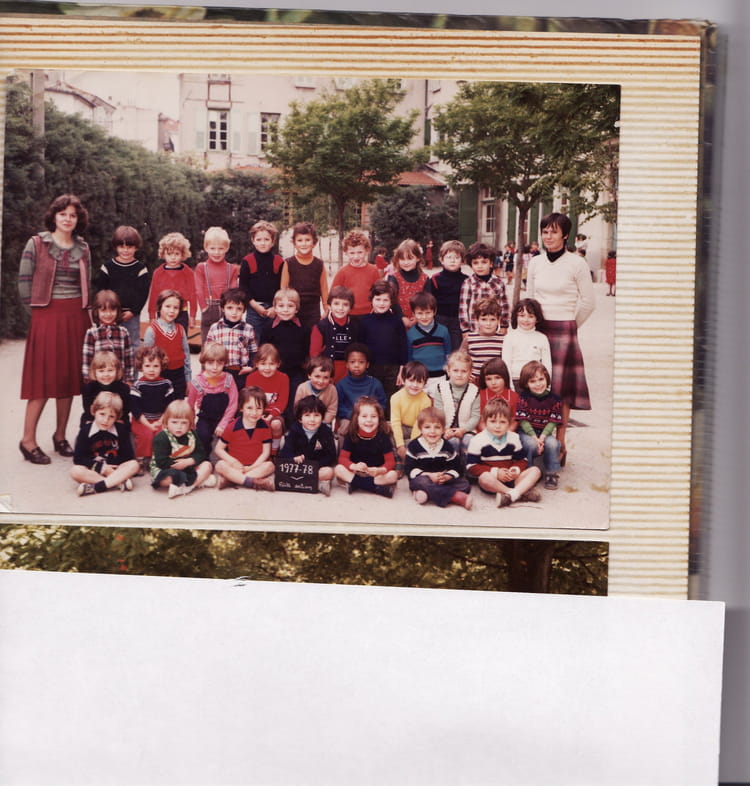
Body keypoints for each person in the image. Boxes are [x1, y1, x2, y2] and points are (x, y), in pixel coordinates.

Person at [18, 193, 92, 465]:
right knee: (41, 381)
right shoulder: (36, 243)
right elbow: (24, 283)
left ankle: (60, 437)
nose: (67, 219)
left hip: (76, 317)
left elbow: (88, 283)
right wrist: (38, 316)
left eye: (72, 215)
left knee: (68, 380)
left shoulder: (83, 248)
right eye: (63, 214)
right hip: (46, 317)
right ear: (54, 216)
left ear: (77, 219)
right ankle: (28, 440)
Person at [526, 212, 595, 459]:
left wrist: (571, 326)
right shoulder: (535, 262)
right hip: (538, 329)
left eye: (554, 232)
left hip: (565, 330)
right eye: (545, 231)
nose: (548, 236)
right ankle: (536, 440)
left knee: (561, 390)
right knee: (536, 385)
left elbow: (588, 302)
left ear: (565, 235)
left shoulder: (577, 263)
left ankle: (561, 443)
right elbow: (531, 298)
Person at [466, 397, 542, 508]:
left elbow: (522, 460)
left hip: (511, 478)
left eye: (502, 422)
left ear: (509, 423)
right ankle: (516, 493)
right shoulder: (477, 440)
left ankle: (510, 495)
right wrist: (496, 472)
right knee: (484, 478)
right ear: (485, 421)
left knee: (535, 470)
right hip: (492, 481)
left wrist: (515, 469)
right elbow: (471, 466)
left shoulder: (514, 438)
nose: (497, 426)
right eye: (492, 421)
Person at [71, 391, 140, 496]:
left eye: (111, 416)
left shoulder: (121, 430)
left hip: (115, 469)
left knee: (134, 465)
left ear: (117, 417)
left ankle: (97, 487)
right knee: (75, 471)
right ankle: (118, 482)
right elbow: (78, 459)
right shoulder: (86, 430)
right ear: (93, 411)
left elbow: (128, 456)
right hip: (94, 470)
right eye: (102, 414)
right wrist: (102, 468)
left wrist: (111, 468)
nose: (105, 420)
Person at [93, 225, 150, 351]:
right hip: (109, 313)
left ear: (136, 247)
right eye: (121, 246)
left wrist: (133, 311)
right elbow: (101, 291)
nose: (125, 250)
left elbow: (143, 294)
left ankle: (131, 371)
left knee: (132, 343)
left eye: (129, 247)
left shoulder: (140, 269)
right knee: (108, 343)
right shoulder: (107, 267)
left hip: (130, 316)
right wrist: (103, 311)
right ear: (115, 247)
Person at [404, 407, 472, 509]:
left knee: (464, 484)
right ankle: (455, 497)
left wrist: (447, 476)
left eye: (437, 427)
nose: (432, 431)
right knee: (418, 482)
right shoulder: (414, 446)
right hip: (424, 478)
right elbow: (409, 470)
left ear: (443, 430)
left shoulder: (447, 446)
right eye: (427, 427)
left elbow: (457, 467)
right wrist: (429, 475)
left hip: (442, 479)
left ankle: (427, 492)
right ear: (420, 429)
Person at [260, 287, 310, 421]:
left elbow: (306, 351)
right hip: (275, 372)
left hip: (296, 372)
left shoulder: (303, 328)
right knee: (276, 400)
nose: (285, 310)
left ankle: (291, 427)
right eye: (281, 306)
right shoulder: (268, 327)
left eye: (290, 306)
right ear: (275, 308)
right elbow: (263, 350)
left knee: (294, 401)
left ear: (297, 309)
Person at [357, 280, 408, 408]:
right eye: (378, 299)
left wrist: (401, 369)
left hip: (392, 368)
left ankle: (389, 425)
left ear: (391, 302)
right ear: (371, 300)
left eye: (385, 300)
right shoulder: (365, 321)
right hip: (371, 368)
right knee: (372, 400)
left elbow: (403, 346)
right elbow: (360, 346)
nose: (381, 303)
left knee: (390, 399)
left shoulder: (396, 322)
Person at [214, 386, 276, 491]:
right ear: (241, 408)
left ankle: (233, 479)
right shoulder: (232, 426)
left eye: (259, 408)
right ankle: (252, 482)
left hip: (255, 466)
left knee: (270, 466)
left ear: (264, 409)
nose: (254, 412)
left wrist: (252, 467)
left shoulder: (265, 426)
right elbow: (218, 449)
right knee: (220, 465)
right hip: (236, 465)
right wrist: (233, 462)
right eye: (249, 408)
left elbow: (265, 453)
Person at [150, 399, 215, 498]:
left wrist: (189, 461)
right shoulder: (162, 437)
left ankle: (187, 487)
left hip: (188, 466)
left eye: (184, 423)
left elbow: (201, 453)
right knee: (168, 479)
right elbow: (161, 462)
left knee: (207, 465)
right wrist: (180, 466)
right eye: (174, 422)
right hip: (167, 468)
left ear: (190, 424)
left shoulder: (192, 435)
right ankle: (200, 481)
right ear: (166, 422)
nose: (179, 427)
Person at [335, 396, 398, 497]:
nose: (369, 420)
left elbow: (390, 461)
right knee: (338, 469)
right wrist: (353, 466)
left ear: (379, 418)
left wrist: (379, 470)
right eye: (364, 416)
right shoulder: (351, 434)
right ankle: (376, 489)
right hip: (356, 471)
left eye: (373, 416)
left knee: (393, 475)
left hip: (376, 473)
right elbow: (343, 458)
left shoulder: (383, 435)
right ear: (357, 418)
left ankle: (356, 484)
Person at [515, 360, 564, 491]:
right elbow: (523, 420)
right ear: (526, 383)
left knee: (553, 444)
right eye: (532, 381)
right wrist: (534, 438)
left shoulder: (554, 399)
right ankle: (529, 471)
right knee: (530, 444)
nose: (538, 384)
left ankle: (551, 473)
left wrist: (542, 437)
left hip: (544, 432)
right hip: (526, 432)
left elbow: (553, 421)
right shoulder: (523, 397)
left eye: (541, 379)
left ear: (546, 378)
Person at [187, 340, 238, 455]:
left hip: (225, 417)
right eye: (210, 363)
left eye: (219, 363)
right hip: (205, 418)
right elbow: (190, 405)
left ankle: (229, 455)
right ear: (203, 362)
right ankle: (204, 458)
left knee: (232, 434)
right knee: (202, 435)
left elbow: (233, 404)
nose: (215, 367)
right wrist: (191, 424)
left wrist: (223, 423)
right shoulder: (197, 382)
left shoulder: (229, 379)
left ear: (224, 363)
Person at [279, 395, 338, 496]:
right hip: (297, 467)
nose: (312, 419)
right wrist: (293, 458)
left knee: (329, 472)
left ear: (322, 417)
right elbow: (285, 451)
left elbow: (331, 455)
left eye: (316, 415)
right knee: (281, 470)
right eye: (307, 415)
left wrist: (315, 465)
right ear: (300, 419)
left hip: (316, 468)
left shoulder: (326, 431)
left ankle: (303, 482)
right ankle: (315, 484)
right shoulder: (295, 430)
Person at [129, 345, 175, 469]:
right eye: (147, 366)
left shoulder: (166, 384)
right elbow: (135, 409)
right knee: (146, 434)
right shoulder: (138, 385)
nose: (151, 370)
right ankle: (141, 459)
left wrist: (161, 421)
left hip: (161, 418)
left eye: (156, 366)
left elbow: (170, 406)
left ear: (161, 367)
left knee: (162, 434)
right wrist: (149, 425)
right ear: (141, 367)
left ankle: (158, 459)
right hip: (142, 420)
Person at [205, 287, 257, 392]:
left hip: (240, 373)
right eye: (230, 308)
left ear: (244, 310)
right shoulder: (215, 328)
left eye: (239, 309)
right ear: (223, 308)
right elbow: (208, 353)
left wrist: (251, 367)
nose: (234, 312)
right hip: (219, 371)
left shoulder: (248, 329)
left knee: (239, 400)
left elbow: (253, 352)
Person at [239, 220, 285, 337]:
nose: (262, 243)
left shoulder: (279, 261)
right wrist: (255, 306)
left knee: (273, 342)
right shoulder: (247, 261)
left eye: (266, 239)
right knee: (254, 342)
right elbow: (243, 288)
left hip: (275, 309)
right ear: (253, 241)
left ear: (273, 241)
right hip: (254, 308)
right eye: (259, 240)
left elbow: (283, 287)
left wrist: (276, 307)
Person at [143, 289, 191, 400]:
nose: (171, 311)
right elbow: (147, 360)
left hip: (179, 377)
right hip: (160, 376)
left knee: (176, 411)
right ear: (159, 307)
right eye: (167, 306)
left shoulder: (181, 329)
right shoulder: (152, 330)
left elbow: (187, 357)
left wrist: (188, 380)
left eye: (176, 308)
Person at [81, 289, 136, 385]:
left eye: (112, 310)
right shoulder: (92, 333)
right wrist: (88, 380)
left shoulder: (123, 332)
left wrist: (129, 379)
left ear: (118, 310)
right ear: (96, 311)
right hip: (98, 382)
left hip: (119, 381)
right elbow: (87, 360)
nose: (108, 314)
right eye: (103, 310)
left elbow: (129, 358)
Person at [195, 226, 239, 343]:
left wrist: (230, 308)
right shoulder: (201, 267)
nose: (216, 252)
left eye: (220, 248)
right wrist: (203, 307)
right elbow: (198, 289)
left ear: (227, 248)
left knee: (226, 343)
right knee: (208, 343)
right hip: (208, 308)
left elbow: (234, 291)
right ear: (206, 247)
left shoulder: (232, 269)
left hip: (226, 309)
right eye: (212, 248)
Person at [281, 221, 328, 329]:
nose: (304, 243)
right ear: (294, 243)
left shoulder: (319, 264)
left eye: (307, 240)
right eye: (300, 240)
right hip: (293, 310)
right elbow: (283, 289)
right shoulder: (288, 263)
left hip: (313, 311)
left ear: (314, 242)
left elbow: (324, 289)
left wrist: (326, 309)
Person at [433, 349, 480, 455]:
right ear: (448, 371)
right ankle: (453, 470)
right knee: (452, 442)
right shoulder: (441, 387)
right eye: (455, 370)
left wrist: (463, 429)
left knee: (469, 441)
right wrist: (444, 429)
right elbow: (438, 413)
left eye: (464, 371)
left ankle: (468, 470)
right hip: (445, 430)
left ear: (470, 372)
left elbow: (475, 416)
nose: (459, 374)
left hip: (467, 429)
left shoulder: (474, 390)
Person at [244, 343, 289, 452]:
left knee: (276, 424)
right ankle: (253, 449)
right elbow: (249, 401)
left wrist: (270, 416)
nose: (267, 368)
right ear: (256, 364)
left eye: (271, 364)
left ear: (278, 364)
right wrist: (257, 414)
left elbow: (282, 402)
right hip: (254, 412)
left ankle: (274, 450)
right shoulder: (251, 378)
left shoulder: (283, 378)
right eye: (263, 364)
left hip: (274, 414)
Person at [335, 343, 387, 439]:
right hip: (349, 418)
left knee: (386, 427)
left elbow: (382, 405)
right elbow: (339, 407)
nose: (356, 365)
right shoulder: (341, 385)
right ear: (346, 364)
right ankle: (344, 454)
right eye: (352, 362)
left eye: (361, 362)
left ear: (367, 364)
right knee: (345, 428)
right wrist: (354, 416)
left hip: (370, 418)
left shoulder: (375, 383)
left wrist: (370, 415)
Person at [148, 232, 196, 334]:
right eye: (169, 254)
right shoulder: (158, 273)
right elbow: (153, 295)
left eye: (177, 254)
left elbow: (193, 296)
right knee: (163, 341)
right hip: (163, 313)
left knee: (180, 340)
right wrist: (152, 315)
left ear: (182, 254)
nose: (173, 257)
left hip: (181, 313)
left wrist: (192, 316)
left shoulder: (188, 272)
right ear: (163, 254)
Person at [458, 241, 509, 336]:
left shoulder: (499, 283)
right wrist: (465, 329)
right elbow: (463, 308)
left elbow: (504, 306)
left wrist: (504, 325)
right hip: (474, 330)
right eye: (476, 263)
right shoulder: (468, 283)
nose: (480, 266)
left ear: (491, 263)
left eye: (484, 262)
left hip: (494, 330)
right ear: (471, 266)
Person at [309, 285, 358, 383]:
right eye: (336, 303)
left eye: (345, 304)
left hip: (349, 371)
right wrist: (322, 373)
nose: (340, 308)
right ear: (329, 305)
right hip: (327, 372)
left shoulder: (355, 325)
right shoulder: (320, 326)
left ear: (350, 307)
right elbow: (314, 354)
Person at [389, 360, 432, 472]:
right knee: (387, 429)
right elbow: (395, 422)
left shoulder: (426, 400)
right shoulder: (395, 397)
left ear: (425, 383)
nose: (414, 385)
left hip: (417, 429)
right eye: (411, 380)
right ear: (403, 379)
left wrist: (410, 446)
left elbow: (419, 424)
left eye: (419, 382)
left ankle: (411, 459)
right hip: (402, 426)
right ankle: (398, 460)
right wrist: (400, 446)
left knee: (427, 435)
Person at [425, 240, 468, 352]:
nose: (452, 260)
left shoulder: (466, 280)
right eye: (449, 257)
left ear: (462, 261)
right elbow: (430, 302)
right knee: (438, 348)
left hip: (458, 321)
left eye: (456, 257)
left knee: (456, 349)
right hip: (439, 319)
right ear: (441, 260)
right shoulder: (435, 279)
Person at [502, 298, 551, 391]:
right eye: (522, 315)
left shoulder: (542, 338)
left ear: (537, 318)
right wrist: (510, 387)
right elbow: (506, 364)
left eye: (531, 316)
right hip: (515, 381)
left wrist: (547, 387)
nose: (526, 320)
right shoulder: (510, 337)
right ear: (516, 316)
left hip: (536, 382)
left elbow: (547, 364)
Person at [406, 291, 450, 393]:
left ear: (434, 312)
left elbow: (448, 353)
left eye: (428, 313)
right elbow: (409, 359)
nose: (424, 317)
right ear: (413, 313)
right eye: (420, 313)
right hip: (419, 378)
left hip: (439, 376)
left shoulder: (443, 330)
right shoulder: (410, 334)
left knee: (438, 405)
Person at [330, 229, 380, 319]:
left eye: (360, 252)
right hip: (348, 315)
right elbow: (332, 295)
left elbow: (379, 292)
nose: (356, 257)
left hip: (370, 314)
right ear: (346, 253)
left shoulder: (374, 270)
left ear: (367, 251)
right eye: (352, 253)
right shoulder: (342, 272)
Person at [80, 351, 131, 430]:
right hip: (94, 418)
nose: (106, 374)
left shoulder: (123, 389)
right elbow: (88, 410)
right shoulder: (88, 388)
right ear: (94, 372)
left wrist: (116, 420)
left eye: (110, 370)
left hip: (117, 418)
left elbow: (125, 410)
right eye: (101, 371)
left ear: (117, 370)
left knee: (122, 427)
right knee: (87, 426)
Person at [460, 297, 505, 384]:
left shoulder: (503, 340)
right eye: (484, 319)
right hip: (474, 383)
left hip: (494, 383)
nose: (488, 324)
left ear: (499, 320)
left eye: (492, 319)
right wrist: (466, 373)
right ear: (477, 320)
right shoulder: (469, 338)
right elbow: (460, 360)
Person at [387, 238, 428, 330]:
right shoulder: (394, 278)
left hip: (420, 320)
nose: (406, 262)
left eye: (410, 258)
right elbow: (393, 301)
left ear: (417, 258)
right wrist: (402, 317)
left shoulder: (425, 279)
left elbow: (427, 301)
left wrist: (418, 317)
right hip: (398, 321)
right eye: (402, 259)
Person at [293, 355, 338, 425]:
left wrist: (321, 422)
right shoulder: (302, 388)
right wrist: (307, 421)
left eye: (325, 377)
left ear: (330, 378)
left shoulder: (332, 390)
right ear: (309, 375)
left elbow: (332, 411)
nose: (321, 381)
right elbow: (297, 409)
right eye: (317, 376)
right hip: (304, 423)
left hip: (323, 423)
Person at [477, 356, 518, 430]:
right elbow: (480, 421)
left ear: (505, 377)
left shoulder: (514, 396)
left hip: (507, 433)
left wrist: (505, 434)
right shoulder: (481, 396)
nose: (493, 382)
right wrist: (490, 435)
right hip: (486, 433)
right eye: (489, 379)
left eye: (497, 378)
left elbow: (514, 421)